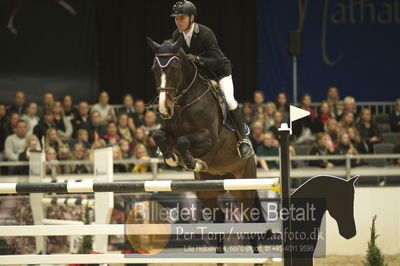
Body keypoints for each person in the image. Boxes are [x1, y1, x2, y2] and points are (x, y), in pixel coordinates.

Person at [169, 0, 252, 158]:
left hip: (219, 73)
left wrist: (198, 59)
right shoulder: (176, 35)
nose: (178, 22)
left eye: (181, 18)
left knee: (229, 100)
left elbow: (218, 61)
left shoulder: (205, 33)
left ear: (191, 18)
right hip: (199, 77)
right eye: (176, 19)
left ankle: (243, 140)